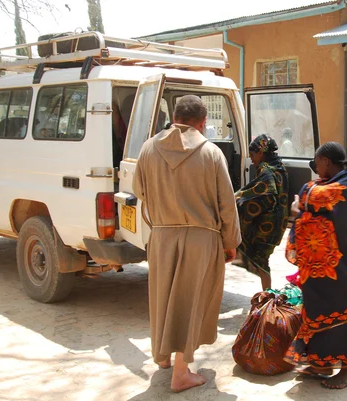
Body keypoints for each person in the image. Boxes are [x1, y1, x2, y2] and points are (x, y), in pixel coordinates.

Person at [132, 95, 241, 393]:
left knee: (163, 297)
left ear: (174, 117)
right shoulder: (211, 153)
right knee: (191, 301)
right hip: (201, 237)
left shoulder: (148, 148)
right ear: (203, 122)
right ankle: (182, 372)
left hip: (163, 235)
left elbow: (138, 189)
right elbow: (227, 205)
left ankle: (164, 358)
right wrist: (231, 242)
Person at [284, 142, 347, 390]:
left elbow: (310, 199)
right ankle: (321, 363)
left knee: (342, 316)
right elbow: (309, 201)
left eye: (317, 161)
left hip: (343, 266)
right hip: (318, 267)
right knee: (316, 312)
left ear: (327, 162)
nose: (315, 166)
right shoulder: (322, 185)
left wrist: (298, 206)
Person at [235, 134, 289, 291]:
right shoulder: (280, 167)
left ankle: (267, 297)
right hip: (279, 224)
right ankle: (267, 295)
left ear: (260, 152)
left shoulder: (265, 170)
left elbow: (265, 193)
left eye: (252, 155)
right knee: (263, 261)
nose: (251, 159)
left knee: (261, 261)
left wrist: (236, 199)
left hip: (266, 226)